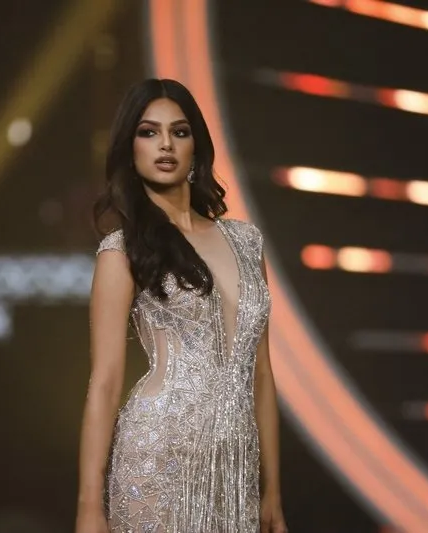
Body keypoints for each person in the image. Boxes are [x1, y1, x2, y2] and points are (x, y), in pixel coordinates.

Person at [74, 78, 288, 533]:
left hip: (237, 470)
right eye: (148, 132)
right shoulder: (122, 250)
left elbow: (262, 375)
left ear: (197, 147)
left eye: (180, 131)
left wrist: (273, 492)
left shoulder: (247, 242)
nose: (166, 144)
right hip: (157, 458)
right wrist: (89, 506)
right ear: (130, 149)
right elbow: (106, 381)